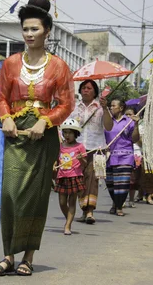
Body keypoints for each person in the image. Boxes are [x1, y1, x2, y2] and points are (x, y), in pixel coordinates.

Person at [0, 0, 74, 277]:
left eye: (34, 29)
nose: (29, 34)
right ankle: (8, 256)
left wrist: (46, 121)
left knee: (33, 198)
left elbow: (66, 105)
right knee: (10, 194)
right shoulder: (10, 63)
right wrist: (5, 118)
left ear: (47, 31)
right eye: (25, 29)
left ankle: (27, 257)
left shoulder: (59, 67)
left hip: (42, 138)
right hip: (14, 135)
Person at [71, 80, 106, 224]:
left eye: (89, 88)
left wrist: (106, 109)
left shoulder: (101, 108)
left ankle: (90, 210)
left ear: (95, 92)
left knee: (92, 179)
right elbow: (66, 126)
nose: (86, 90)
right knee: (79, 179)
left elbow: (108, 127)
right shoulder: (73, 107)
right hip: (77, 148)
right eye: (83, 88)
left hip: (95, 148)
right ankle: (83, 210)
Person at [101, 97, 139, 217]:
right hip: (109, 156)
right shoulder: (107, 120)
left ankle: (119, 206)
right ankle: (115, 203)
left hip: (125, 156)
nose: (111, 108)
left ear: (121, 108)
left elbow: (135, 139)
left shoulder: (129, 121)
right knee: (111, 183)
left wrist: (136, 124)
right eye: (110, 106)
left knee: (122, 183)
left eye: (113, 106)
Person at [55, 119, 87, 235]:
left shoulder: (80, 147)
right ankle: (68, 217)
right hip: (62, 177)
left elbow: (85, 163)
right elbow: (56, 160)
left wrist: (81, 159)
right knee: (62, 202)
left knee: (72, 202)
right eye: (65, 132)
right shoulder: (60, 146)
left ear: (75, 134)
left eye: (70, 133)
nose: (67, 135)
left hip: (74, 176)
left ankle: (67, 225)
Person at [125, 107, 142, 207]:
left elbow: (138, 141)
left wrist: (136, 126)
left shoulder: (139, 126)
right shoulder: (119, 125)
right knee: (122, 180)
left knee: (133, 180)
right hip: (122, 155)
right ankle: (120, 200)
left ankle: (131, 199)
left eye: (130, 114)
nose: (128, 117)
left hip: (136, 155)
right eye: (126, 114)